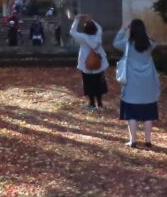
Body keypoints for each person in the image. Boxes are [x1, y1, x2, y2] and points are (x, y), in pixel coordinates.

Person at [114, 19, 161, 148]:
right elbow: (155, 41)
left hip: (132, 82)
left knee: (132, 113)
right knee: (148, 113)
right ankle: (148, 141)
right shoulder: (150, 44)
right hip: (148, 83)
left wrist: (123, 29)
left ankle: (133, 140)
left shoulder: (127, 44)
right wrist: (146, 34)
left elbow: (115, 43)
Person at [69, 14, 108, 109]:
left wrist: (77, 20)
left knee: (88, 83)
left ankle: (91, 103)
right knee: (99, 83)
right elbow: (99, 28)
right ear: (94, 29)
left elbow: (72, 31)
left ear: (85, 30)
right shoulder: (98, 36)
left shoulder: (82, 37)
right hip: (99, 63)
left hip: (86, 64)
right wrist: (91, 20)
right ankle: (100, 103)